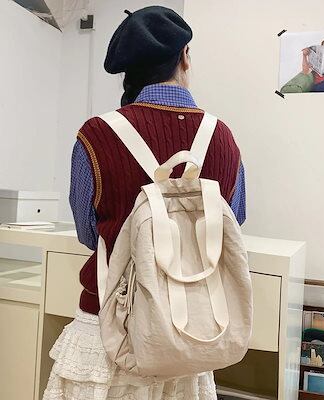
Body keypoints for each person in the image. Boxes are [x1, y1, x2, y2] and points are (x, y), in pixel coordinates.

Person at [43, 6, 246, 400]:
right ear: (185, 56)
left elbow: (89, 233)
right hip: (190, 327)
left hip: (110, 325)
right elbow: (231, 223)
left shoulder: (96, 135)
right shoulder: (221, 136)